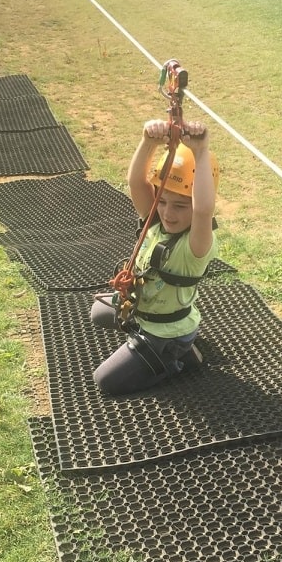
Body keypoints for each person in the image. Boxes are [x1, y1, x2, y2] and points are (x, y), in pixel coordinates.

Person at [90, 118, 219, 395]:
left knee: (106, 381)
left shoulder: (195, 246)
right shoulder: (157, 221)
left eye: (180, 206)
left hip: (167, 333)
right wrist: (148, 143)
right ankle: (151, 337)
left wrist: (201, 152)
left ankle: (177, 358)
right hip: (144, 308)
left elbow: (203, 210)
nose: (168, 213)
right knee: (97, 312)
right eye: (162, 201)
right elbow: (136, 183)